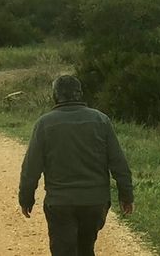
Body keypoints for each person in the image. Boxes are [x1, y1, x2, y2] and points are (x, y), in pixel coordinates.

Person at [18, 75, 134, 256]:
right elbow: (118, 163)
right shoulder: (101, 120)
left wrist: (26, 198)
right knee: (86, 249)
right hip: (95, 202)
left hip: (60, 203)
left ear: (55, 96)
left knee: (63, 251)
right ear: (79, 94)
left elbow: (31, 169)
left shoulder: (44, 124)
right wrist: (126, 195)